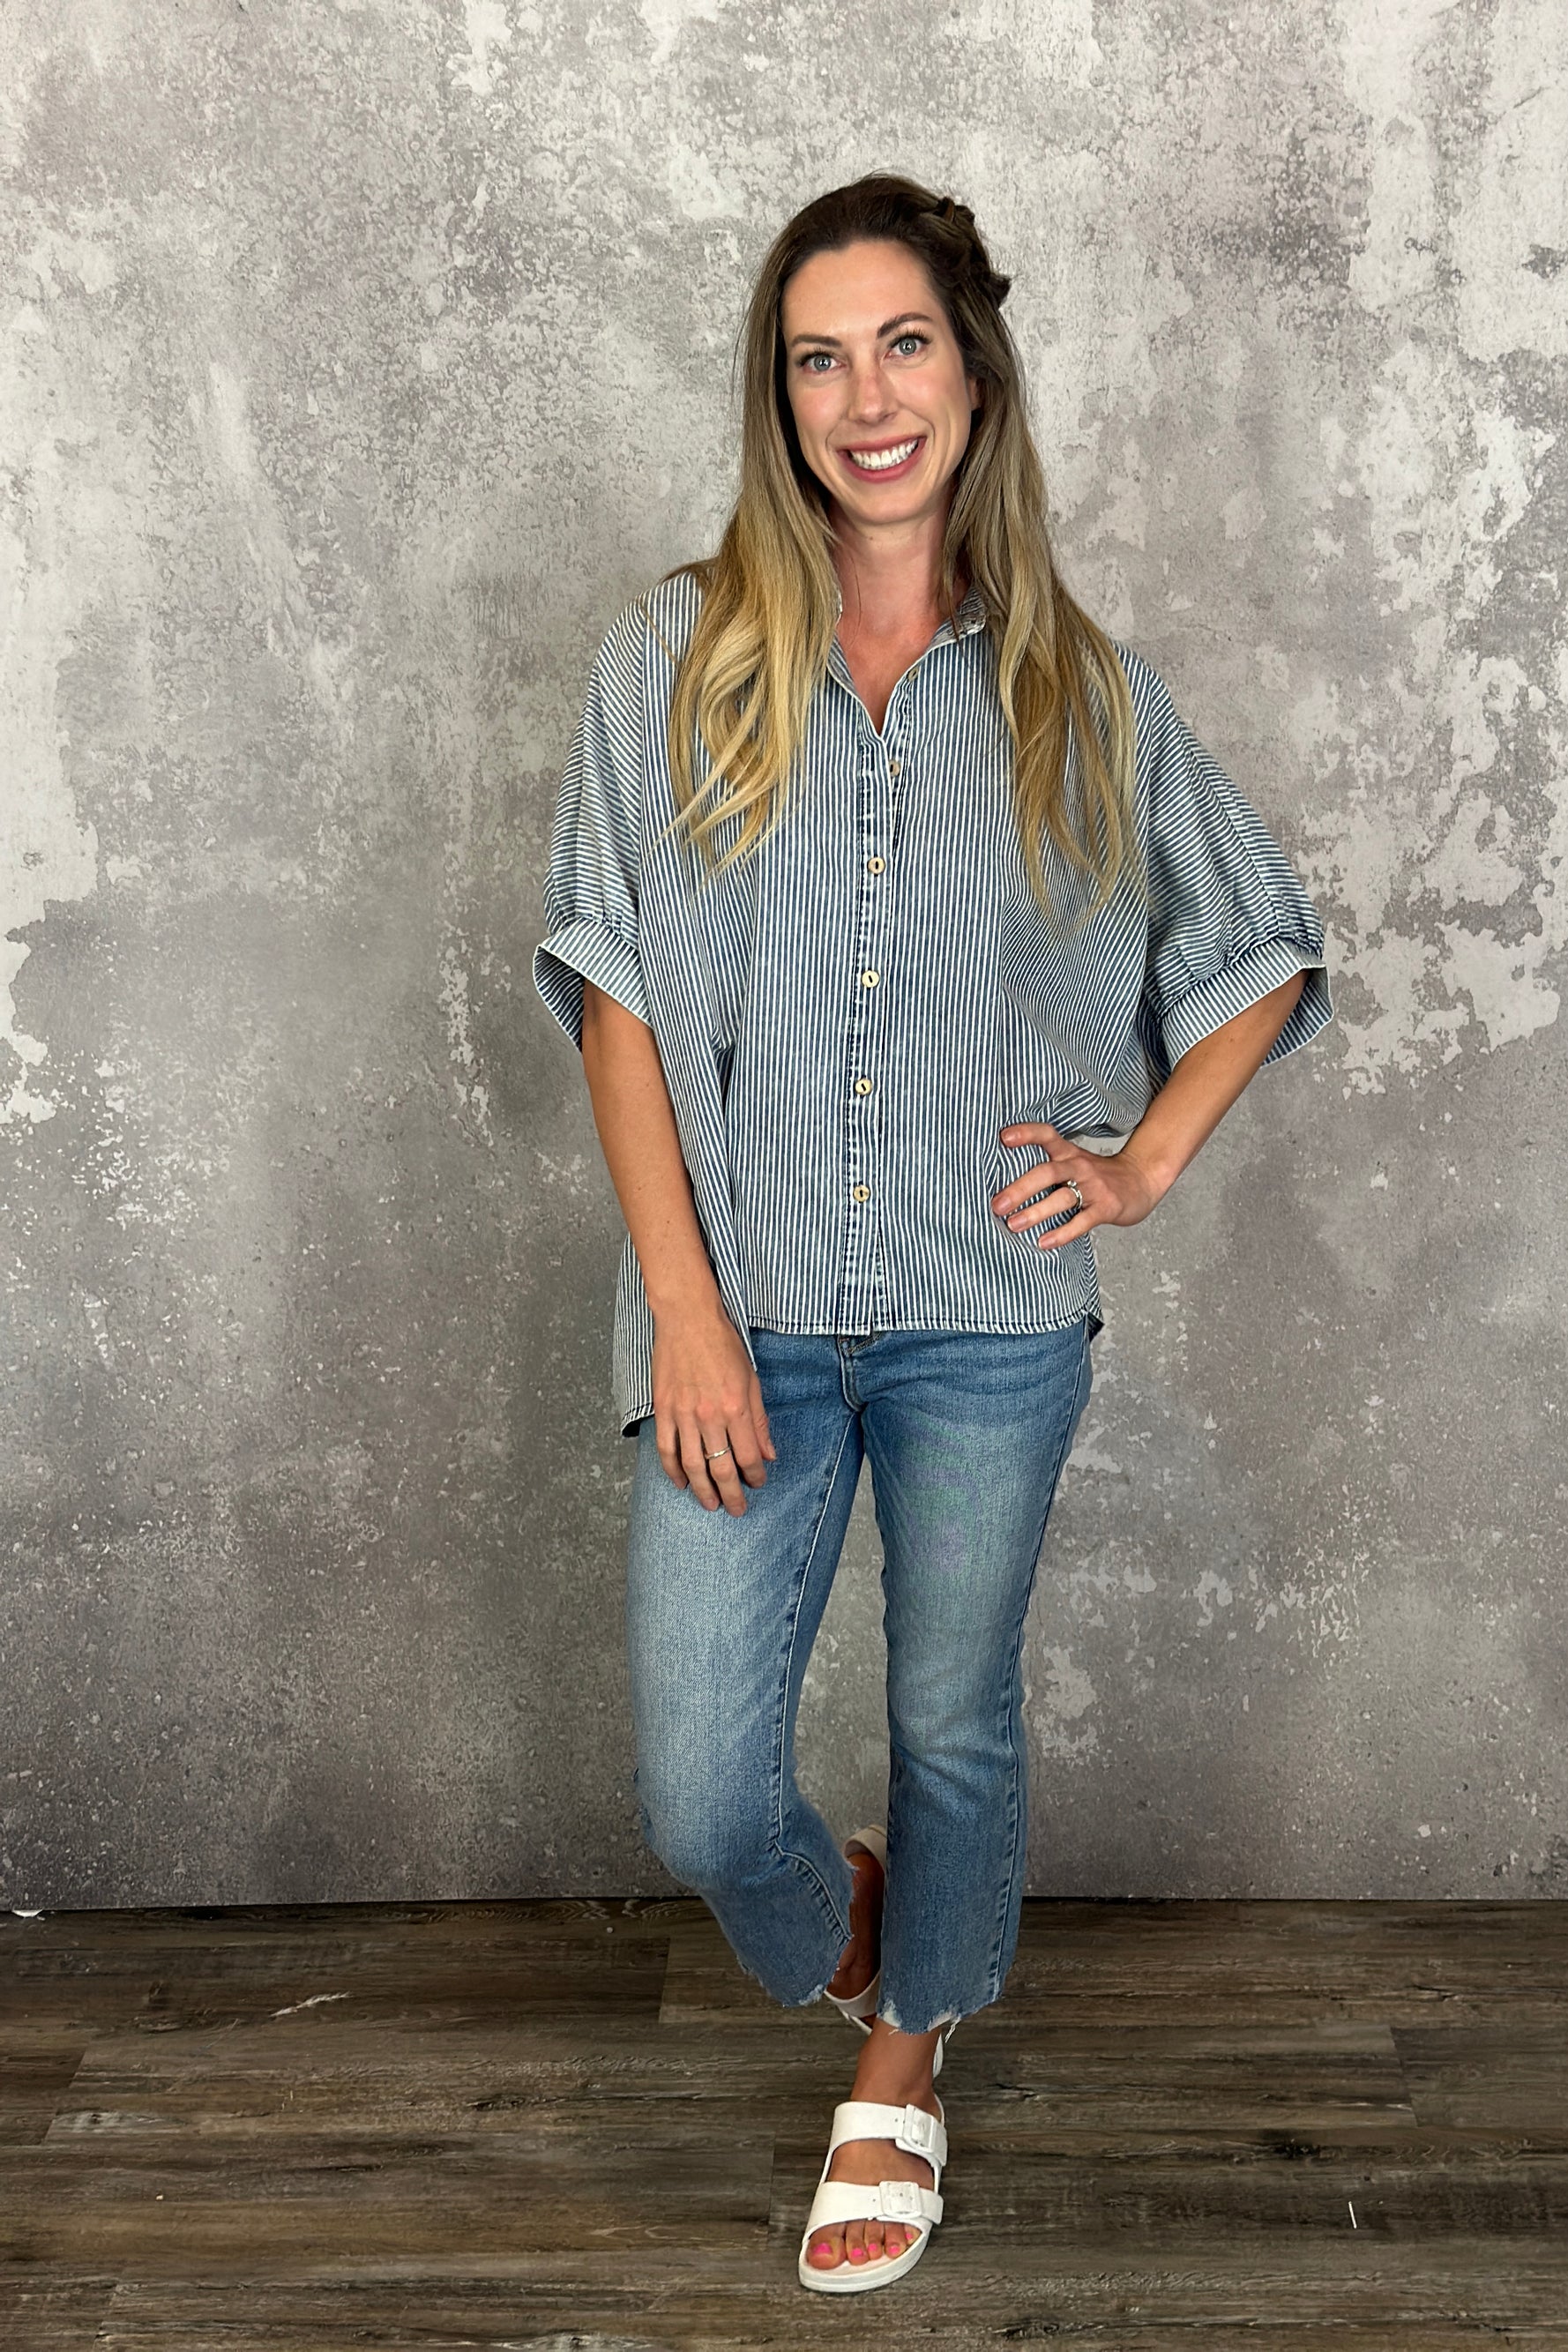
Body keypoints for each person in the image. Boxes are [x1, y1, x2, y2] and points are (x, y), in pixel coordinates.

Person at [534, 174, 1333, 2295]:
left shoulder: (1078, 687)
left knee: (954, 1711)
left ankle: (906, 2057)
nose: (864, 397)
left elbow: (1256, 947)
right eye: (819, 357)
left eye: (902, 345)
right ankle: (874, 1937)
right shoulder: (672, 658)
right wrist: (684, 1308)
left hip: (992, 1317)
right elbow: (616, 995)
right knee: (706, 1797)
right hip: (741, 1313)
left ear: (972, 373)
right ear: (777, 397)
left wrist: (1139, 1163)